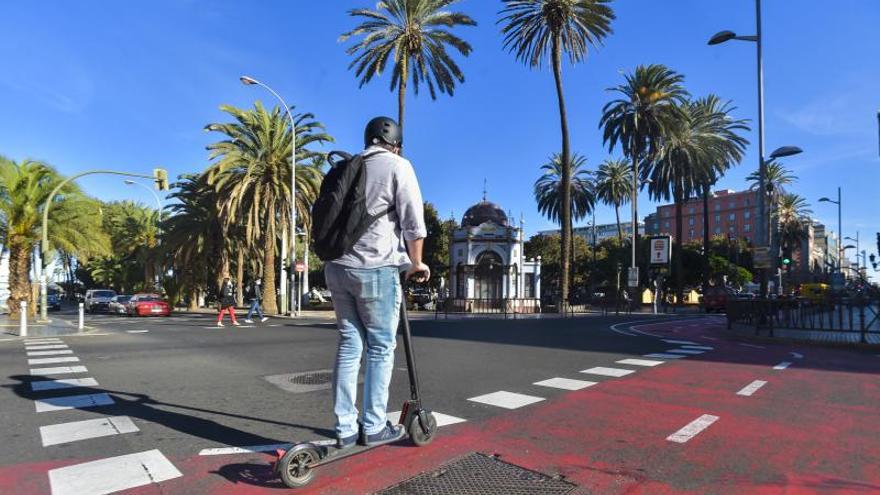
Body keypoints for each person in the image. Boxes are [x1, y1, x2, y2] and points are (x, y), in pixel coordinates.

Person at [325, 116, 429, 449]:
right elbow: (414, 222)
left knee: (349, 344)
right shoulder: (398, 166)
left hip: (336, 268)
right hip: (375, 268)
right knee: (381, 347)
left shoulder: (347, 166)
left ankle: (344, 427)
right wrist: (416, 263)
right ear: (395, 143)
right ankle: (372, 425)